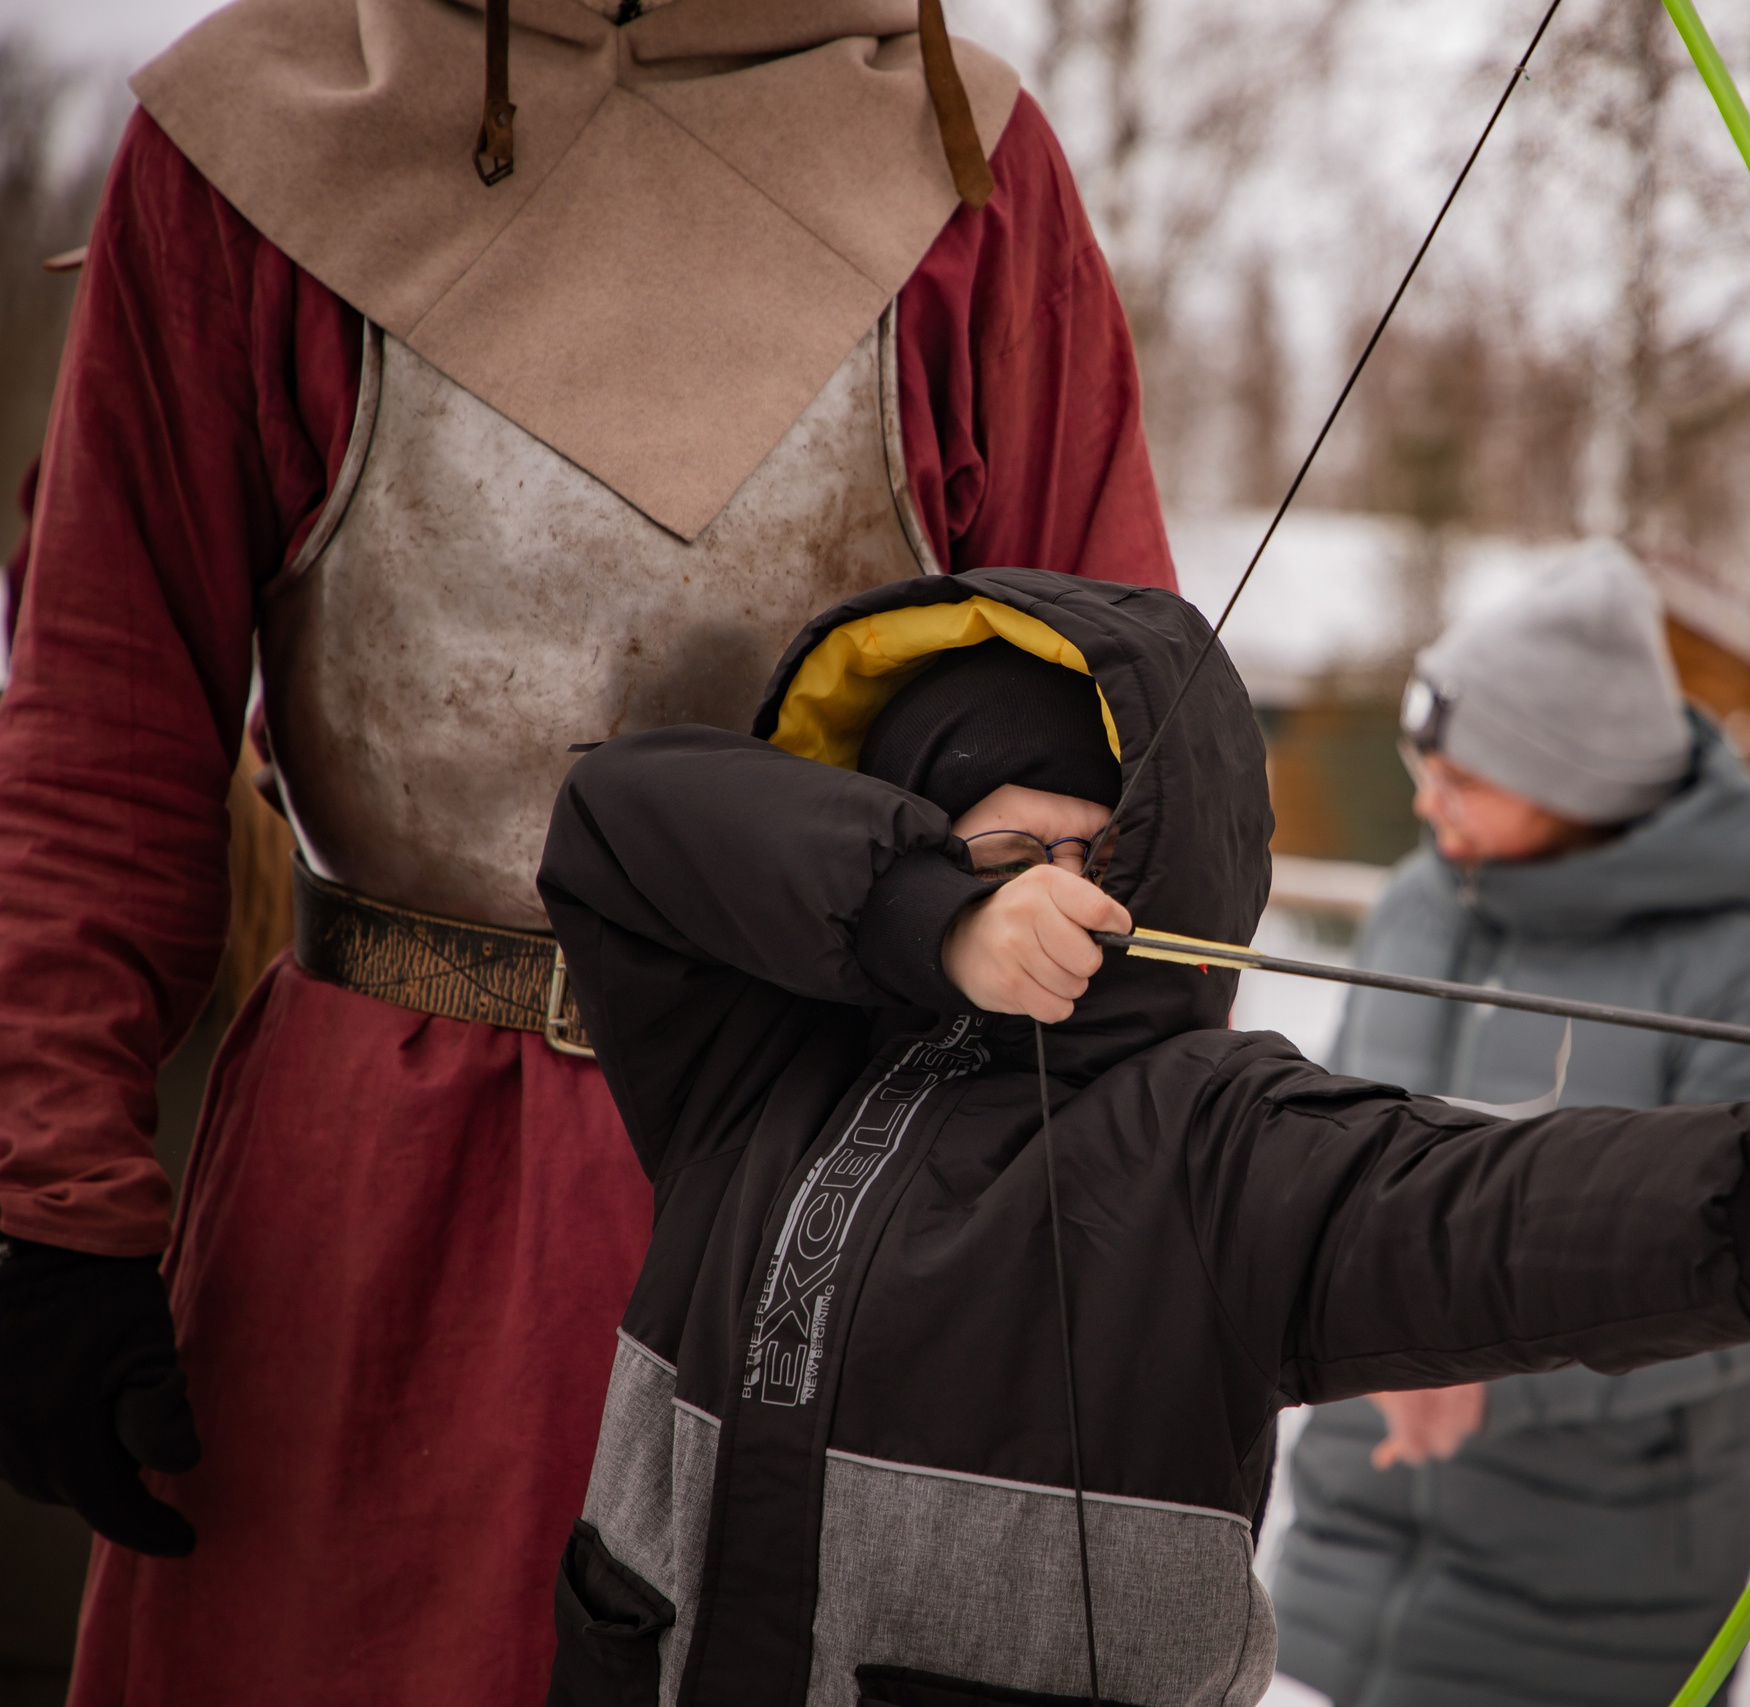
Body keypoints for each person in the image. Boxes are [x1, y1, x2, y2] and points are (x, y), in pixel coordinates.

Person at [0, 2, 1175, 1701]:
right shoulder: (250, 137)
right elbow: (104, 724)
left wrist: (1110, 1216)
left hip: (825, 1195)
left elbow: (1128, 736)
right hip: (375, 1208)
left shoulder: (966, 165)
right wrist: (52, 1203)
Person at [533, 565, 1750, 1705]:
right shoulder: (756, 1066)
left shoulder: (1208, 1138)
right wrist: (934, 921)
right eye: (1009, 858)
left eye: (1100, 858)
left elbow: (1464, 1202)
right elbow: (615, 815)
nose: (1060, 900)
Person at [1270, 549, 1750, 1707]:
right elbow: (1323, 1154)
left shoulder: (1731, 977)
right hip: (1338, 1556)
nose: (1425, 802)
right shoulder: (1414, 908)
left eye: (1462, 778)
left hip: (1592, 1601)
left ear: (1571, 782)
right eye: (1421, 768)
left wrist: (1488, 1376)